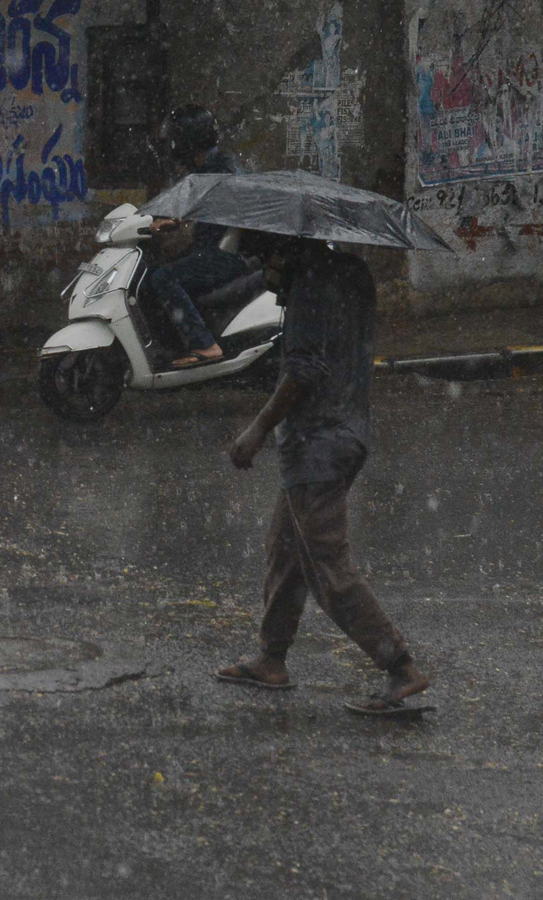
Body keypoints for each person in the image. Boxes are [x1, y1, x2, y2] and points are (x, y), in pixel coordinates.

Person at [215, 239, 430, 714]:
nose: (262, 270)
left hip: (318, 442)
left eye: (265, 257)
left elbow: (305, 369)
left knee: (326, 564)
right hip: (344, 431)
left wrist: (257, 428)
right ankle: (272, 658)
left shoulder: (311, 285)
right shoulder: (348, 271)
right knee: (286, 550)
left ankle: (400, 667)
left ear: (286, 248)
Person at [147, 105, 249, 368]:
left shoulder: (222, 168)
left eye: (175, 138)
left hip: (227, 255)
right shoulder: (206, 168)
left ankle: (206, 345)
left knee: (165, 278)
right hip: (210, 250)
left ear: (186, 141)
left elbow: (215, 199)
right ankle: (172, 347)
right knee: (151, 275)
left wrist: (180, 218)